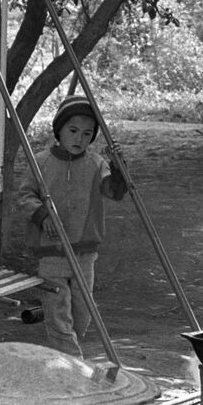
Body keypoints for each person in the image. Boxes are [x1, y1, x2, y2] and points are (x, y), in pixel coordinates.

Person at [17, 94, 128, 358]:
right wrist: (43, 215)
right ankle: (72, 363)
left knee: (83, 312)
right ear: (59, 131)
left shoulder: (96, 164)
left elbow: (114, 192)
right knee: (58, 312)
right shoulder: (41, 162)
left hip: (84, 253)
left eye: (87, 134)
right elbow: (24, 196)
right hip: (51, 252)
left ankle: (65, 358)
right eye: (73, 131)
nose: (79, 139)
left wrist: (119, 168)